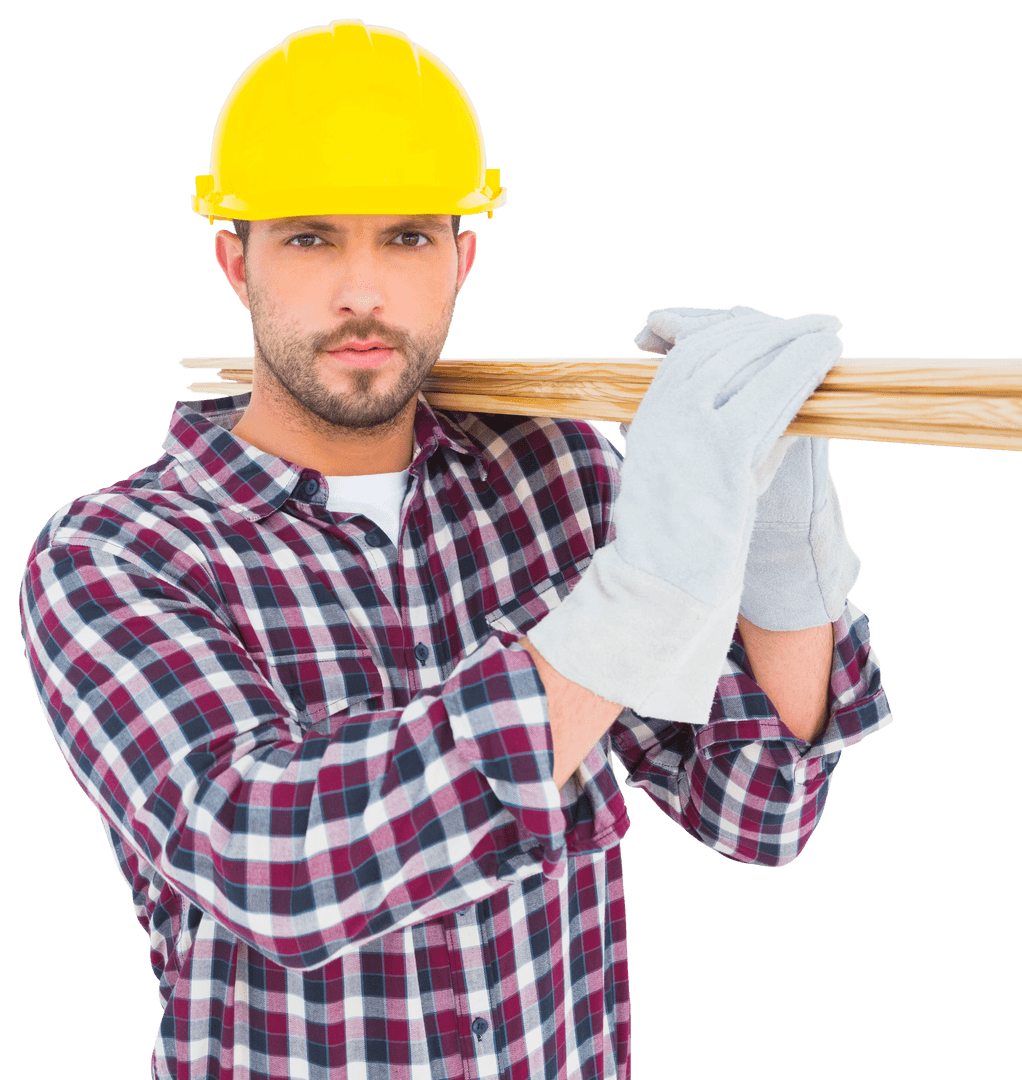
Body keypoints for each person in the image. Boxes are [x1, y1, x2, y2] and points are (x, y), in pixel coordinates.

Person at [19, 19, 893, 1080]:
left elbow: (757, 809)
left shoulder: (551, 478)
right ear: (233, 261)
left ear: (460, 256)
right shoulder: (117, 556)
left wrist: (779, 564)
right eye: (308, 237)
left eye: (406, 237)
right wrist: (636, 600)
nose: (362, 292)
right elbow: (278, 865)